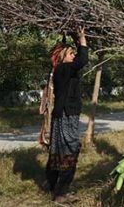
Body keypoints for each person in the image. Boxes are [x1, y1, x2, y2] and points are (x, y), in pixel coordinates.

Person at [40, 26, 89, 203]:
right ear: (61, 57)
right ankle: (61, 193)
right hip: (67, 115)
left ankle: (50, 184)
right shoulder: (64, 68)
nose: (73, 56)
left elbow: (79, 60)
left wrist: (75, 38)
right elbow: (83, 59)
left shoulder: (63, 70)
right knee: (71, 149)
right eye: (70, 54)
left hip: (62, 114)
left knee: (57, 150)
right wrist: (82, 38)